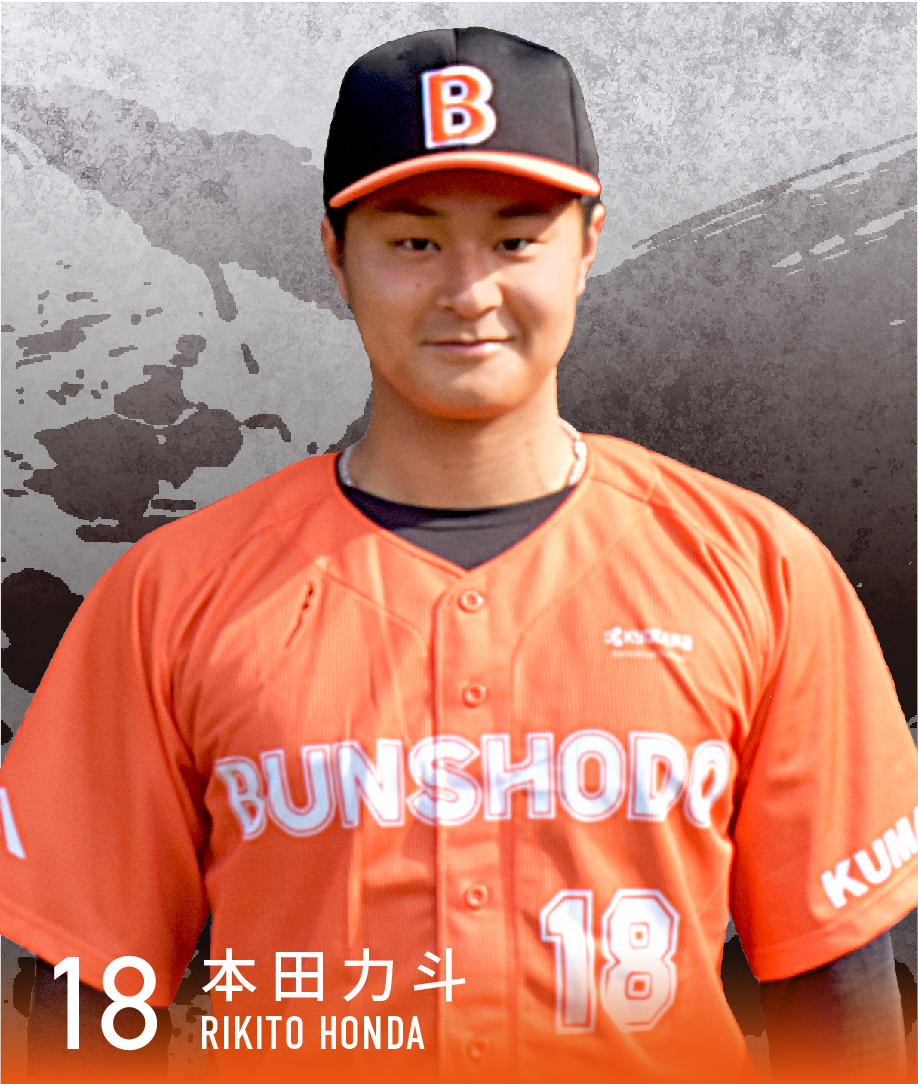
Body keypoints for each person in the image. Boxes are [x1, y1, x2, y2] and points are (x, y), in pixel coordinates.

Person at [2, 26, 916, 1084]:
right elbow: (83, 1003)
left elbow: (840, 1003)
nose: (470, 290)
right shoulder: (171, 593)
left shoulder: (760, 570)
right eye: (414, 242)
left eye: (517, 240)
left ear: (589, 243)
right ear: (335, 254)